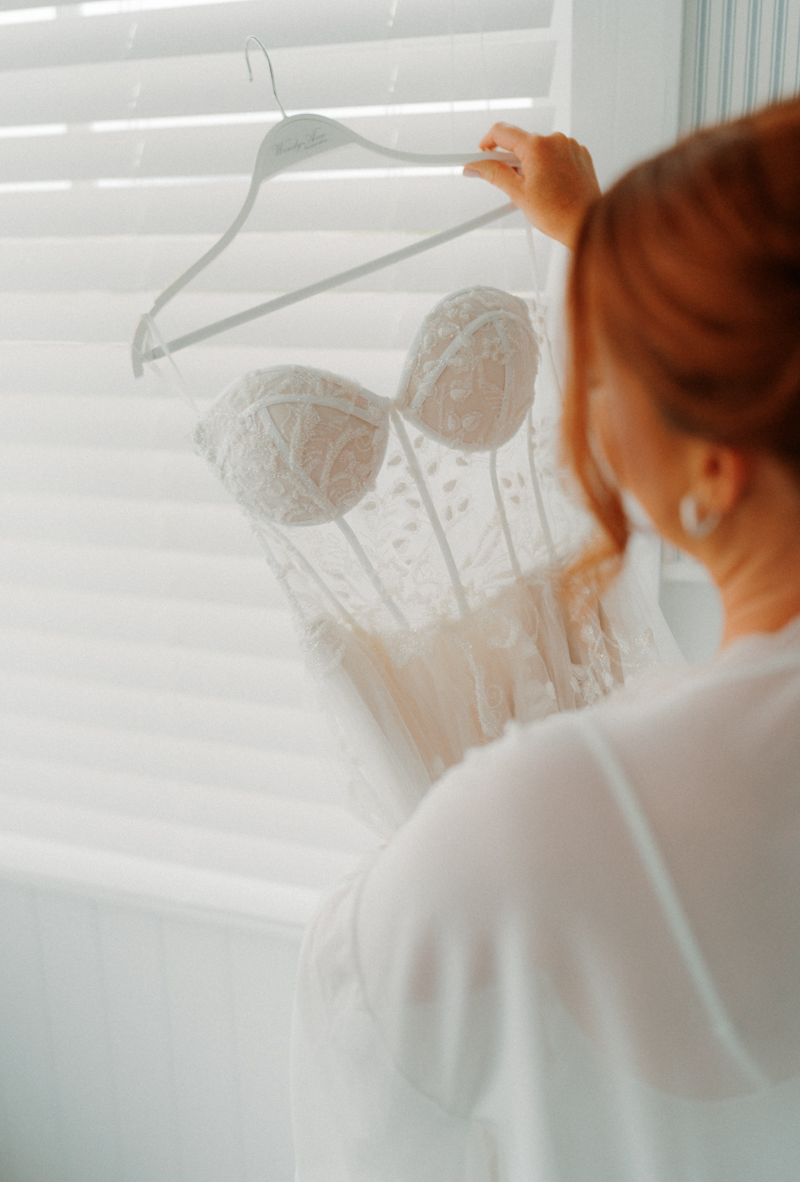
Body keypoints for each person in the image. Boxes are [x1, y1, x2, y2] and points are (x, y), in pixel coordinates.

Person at [290, 97, 800, 1181]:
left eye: (615, 365)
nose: (591, 390)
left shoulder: (510, 831)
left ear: (713, 471)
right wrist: (609, 235)